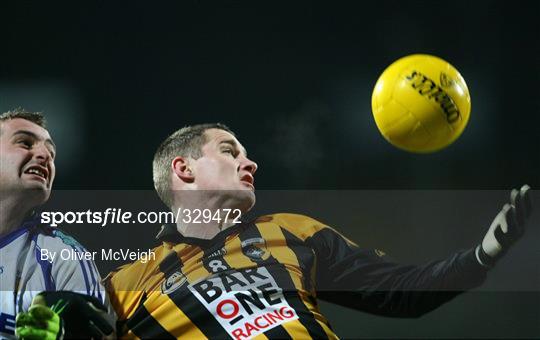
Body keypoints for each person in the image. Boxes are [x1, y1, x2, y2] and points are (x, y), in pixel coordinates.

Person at [105, 123, 532, 339]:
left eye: (248, 154)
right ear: (183, 169)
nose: (249, 163)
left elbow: (400, 292)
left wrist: (482, 255)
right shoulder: (124, 287)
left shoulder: (291, 232)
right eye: (229, 151)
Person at [0, 108, 114, 339]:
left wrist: (65, 335)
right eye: (25, 143)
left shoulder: (64, 256)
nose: (44, 156)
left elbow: (102, 332)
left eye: (51, 153)